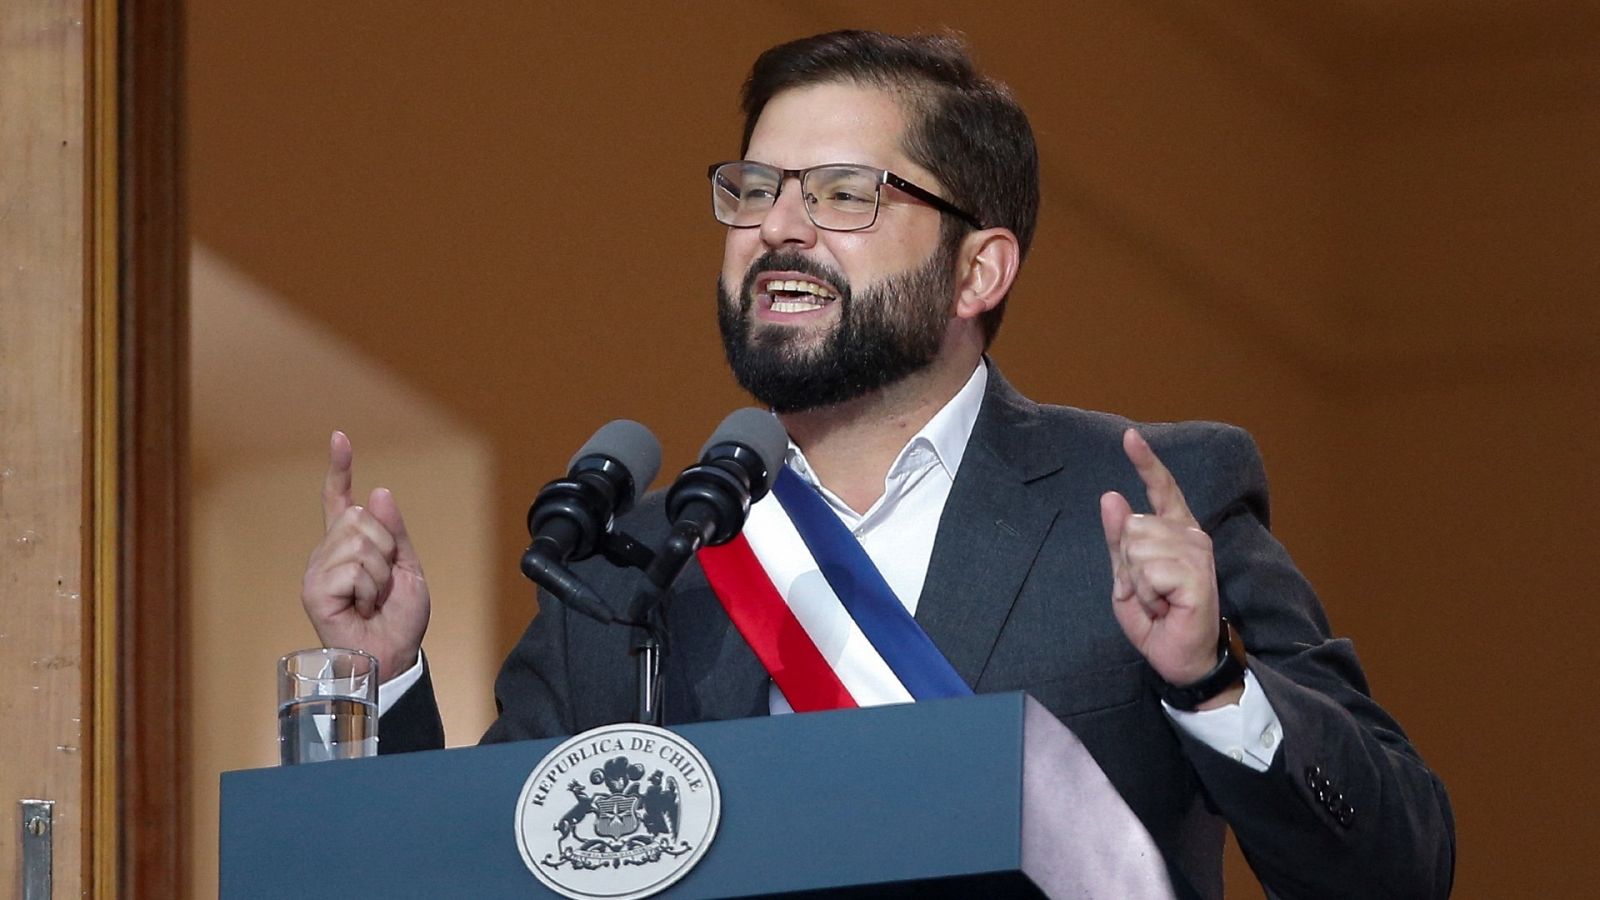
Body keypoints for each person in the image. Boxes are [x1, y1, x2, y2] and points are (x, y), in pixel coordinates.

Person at [300, 30, 1453, 898]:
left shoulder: (1148, 498)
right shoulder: (633, 564)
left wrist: (1211, 682)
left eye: (844, 194)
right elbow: (468, 868)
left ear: (977, 271)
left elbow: (1399, 862)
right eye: (752, 190)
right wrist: (384, 683)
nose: (777, 227)